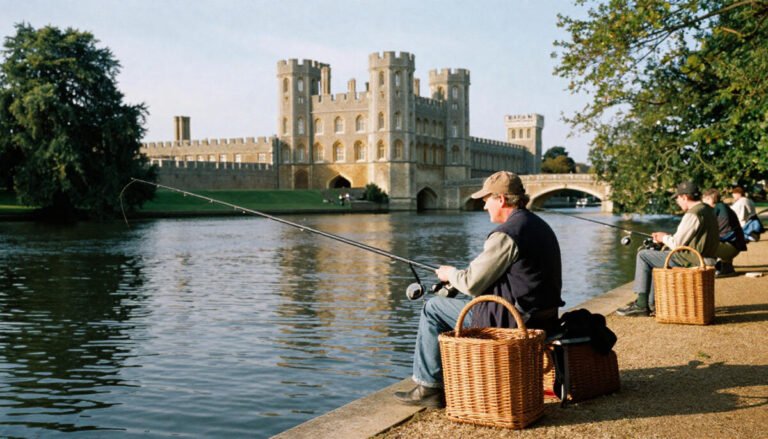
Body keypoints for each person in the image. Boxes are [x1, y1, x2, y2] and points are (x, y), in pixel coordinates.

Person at [394, 171, 564, 407]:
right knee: (462, 300)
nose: (483, 206)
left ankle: (429, 387)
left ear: (501, 199)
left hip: (515, 321)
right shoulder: (536, 224)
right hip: (543, 316)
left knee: (432, 308)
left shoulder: (506, 234)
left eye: (486, 200)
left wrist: (449, 274)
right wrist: (460, 278)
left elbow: (471, 283)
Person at [617, 181, 719, 317]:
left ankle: (641, 305)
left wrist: (663, 237)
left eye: (677, 198)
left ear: (684, 197)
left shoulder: (693, 214)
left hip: (693, 260)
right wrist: (665, 238)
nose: (677, 202)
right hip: (706, 257)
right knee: (654, 255)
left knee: (643, 255)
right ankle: (651, 303)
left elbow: (677, 243)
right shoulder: (707, 210)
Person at [701, 188, 747, 277]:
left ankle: (709, 268)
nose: (703, 203)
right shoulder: (722, 207)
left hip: (731, 246)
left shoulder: (719, 208)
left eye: (704, 200)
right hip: (734, 245)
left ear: (710, 199)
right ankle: (726, 267)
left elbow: (724, 231)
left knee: (701, 245)